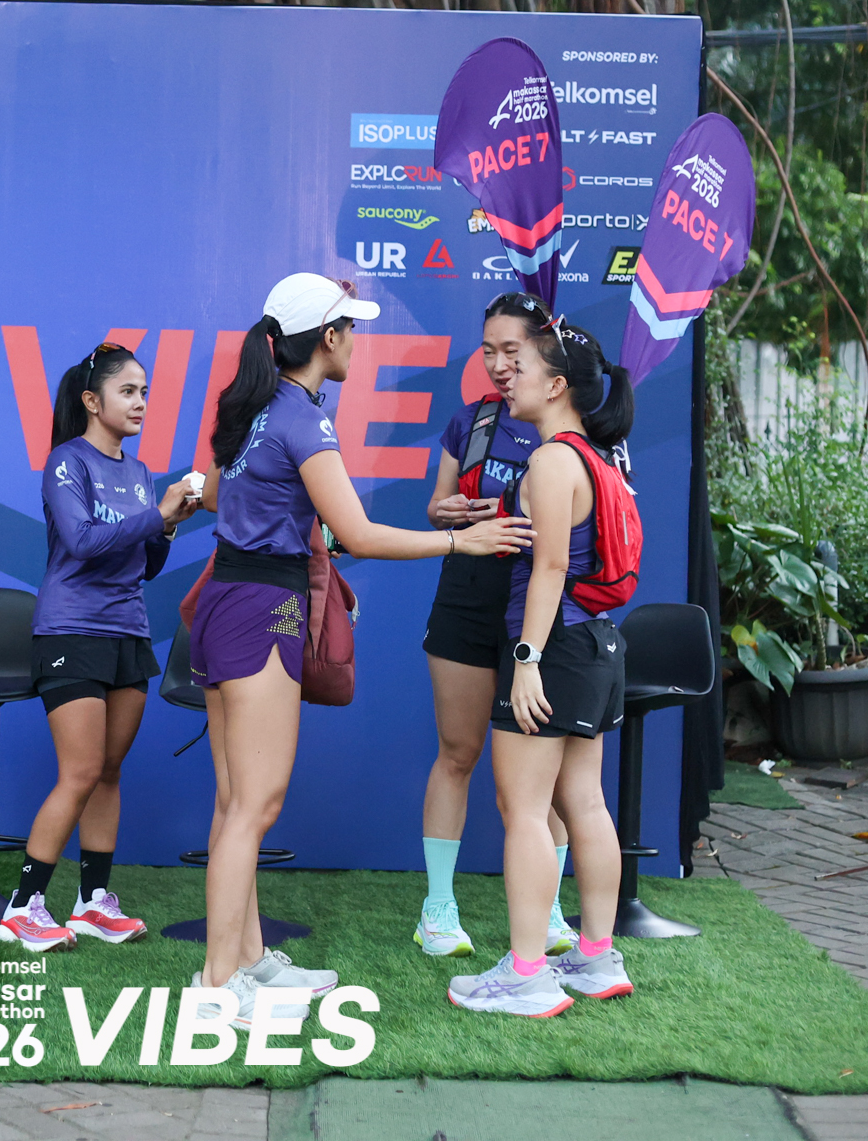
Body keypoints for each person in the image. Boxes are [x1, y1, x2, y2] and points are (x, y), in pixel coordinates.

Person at [189, 273, 532, 1024]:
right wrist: (462, 541)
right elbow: (360, 534)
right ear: (328, 338)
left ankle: (246, 959)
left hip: (224, 601)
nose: (356, 341)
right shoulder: (302, 418)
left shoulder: (251, 406)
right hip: (263, 610)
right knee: (255, 805)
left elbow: (213, 494)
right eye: (350, 328)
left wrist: (284, 516)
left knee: (234, 801)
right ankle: (216, 984)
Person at [448, 316, 637, 1018]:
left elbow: (551, 566)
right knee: (584, 803)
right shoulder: (598, 458)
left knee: (524, 809)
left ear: (556, 386)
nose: (507, 377)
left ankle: (528, 974)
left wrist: (525, 659)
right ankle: (596, 956)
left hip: (553, 647)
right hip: (594, 645)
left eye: (521, 365)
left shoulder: (553, 462)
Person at [0, 342, 202, 953]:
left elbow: (145, 563)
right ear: (92, 400)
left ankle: (92, 904)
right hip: (71, 630)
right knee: (81, 771)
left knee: (108, 772)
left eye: (145, 392)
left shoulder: (139, 474)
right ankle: (23, 908)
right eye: (128, 391)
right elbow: (83, 541)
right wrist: (157, 514)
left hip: (127, 631)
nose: (140, 403)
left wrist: (169, 523)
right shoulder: (67, 462)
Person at [417, 292, 575, 960]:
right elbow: (435, 507)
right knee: (458, 753)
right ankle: (437, 909)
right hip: (466, 594)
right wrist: (455, 513)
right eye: (489, 351)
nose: (499, 364)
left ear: (543, 351)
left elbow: (578, 529)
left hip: (535, 606)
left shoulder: (566, 427)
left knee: (542, 775)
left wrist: (523, 515)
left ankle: (552, 910)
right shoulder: (472, 420)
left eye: (512, 351)